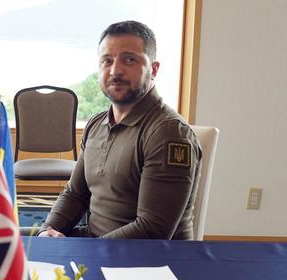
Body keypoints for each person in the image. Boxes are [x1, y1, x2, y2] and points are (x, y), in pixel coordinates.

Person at [40, 21, 201, 240]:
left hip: (146, 263)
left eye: (129, 60)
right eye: (107, 61)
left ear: (153, 69)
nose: (115, 70)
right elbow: (75, 194)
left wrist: (86, 254)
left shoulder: (169, 133)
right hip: (96, 246)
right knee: (3, 246)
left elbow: (153, 229)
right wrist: (48, 232)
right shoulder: (96, 125)